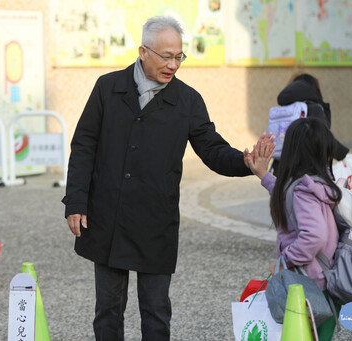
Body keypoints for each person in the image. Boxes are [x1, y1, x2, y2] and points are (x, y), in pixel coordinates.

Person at [62, 16, 272, 341]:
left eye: (179, 56)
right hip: (108, 216)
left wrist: (246, 162)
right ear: (143, 51)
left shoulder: (187, 101)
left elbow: (213, 149)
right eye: (166, 56)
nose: (173, 64)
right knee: (107, 309)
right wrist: (75, 200)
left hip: (155, 221)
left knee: (157, 312)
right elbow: (84, 145)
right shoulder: (108, 88)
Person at [246, 117, 342, 341]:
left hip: (310, 285)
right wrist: (264, 176)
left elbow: (313, 237)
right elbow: (288, 196)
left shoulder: (302, 191)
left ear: (291, 150)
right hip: (323, 280)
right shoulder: (319, 182)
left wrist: (283, 261)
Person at [273, 73, 349, 173]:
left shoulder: (286, 108)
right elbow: (322, 136)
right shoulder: (313, 108)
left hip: (280, 168)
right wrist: (344, 154)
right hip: (306, 170)